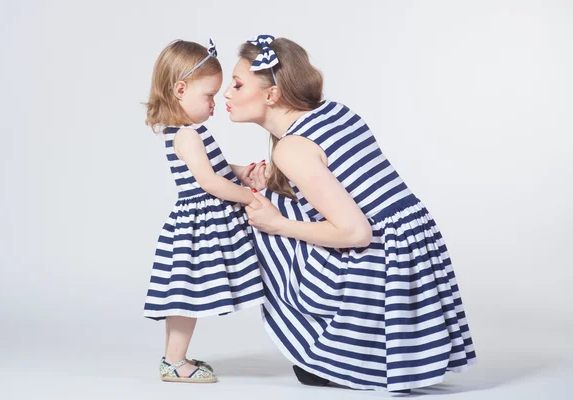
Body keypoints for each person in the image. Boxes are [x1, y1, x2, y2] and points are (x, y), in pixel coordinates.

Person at [224, 34, 476, 392]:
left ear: (271, 95)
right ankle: (366, 350)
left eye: (236, 84)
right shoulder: (332, 113)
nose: (226, 94)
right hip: (410, 251)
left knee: (253, 211)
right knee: (265, 198)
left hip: (379, 263)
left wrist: (277, 224)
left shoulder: (292, 149)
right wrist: (246, 175)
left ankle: (332, 349)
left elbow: (357, 233)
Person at [143, 38, 265, 383]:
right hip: (200, 226)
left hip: (202, 221)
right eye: (208, 95)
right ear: (180, 89)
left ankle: (173, 358)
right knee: (186, 296)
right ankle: (174, 362)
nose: (215, 103)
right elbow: (209, 183)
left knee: (185, 295)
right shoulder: (187, 136)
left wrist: (240, 171)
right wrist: (249, 196)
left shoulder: (190, 132)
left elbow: (216, 167)